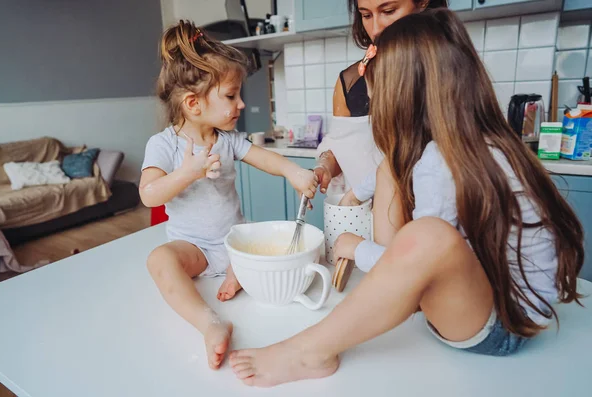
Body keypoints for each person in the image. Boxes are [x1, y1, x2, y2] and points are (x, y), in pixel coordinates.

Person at [229, 9, 584, 387]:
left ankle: (310, 350)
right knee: (392, 171)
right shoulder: (476, 145)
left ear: (402, 96)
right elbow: (387, 176)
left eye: (377, 95)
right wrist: (350, 195)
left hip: (503, 326)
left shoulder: (440, 163)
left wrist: (355, 246)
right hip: (497, 301)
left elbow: (425, 259)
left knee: (429, 234)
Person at [139, 21, 318, 370]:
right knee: (159, 260)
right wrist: (188, 172)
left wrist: (293, 172)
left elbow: (265, 157)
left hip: (236, 241)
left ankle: (239, 270)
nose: (240, 105)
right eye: (230, 96)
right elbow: (149, 195)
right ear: (193, 103)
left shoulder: (227, 140)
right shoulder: (163, 145)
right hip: (194, 249)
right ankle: (209, 322)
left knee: (279, 242)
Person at [314, 0, 448, 248]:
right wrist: (325, 166)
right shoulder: (352, 82)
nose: (375, 29)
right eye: (366, 15)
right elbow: (342, 145)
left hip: (427, 237)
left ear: (422, 3)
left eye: (388, 11)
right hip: (370, 227)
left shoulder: (446, 73)